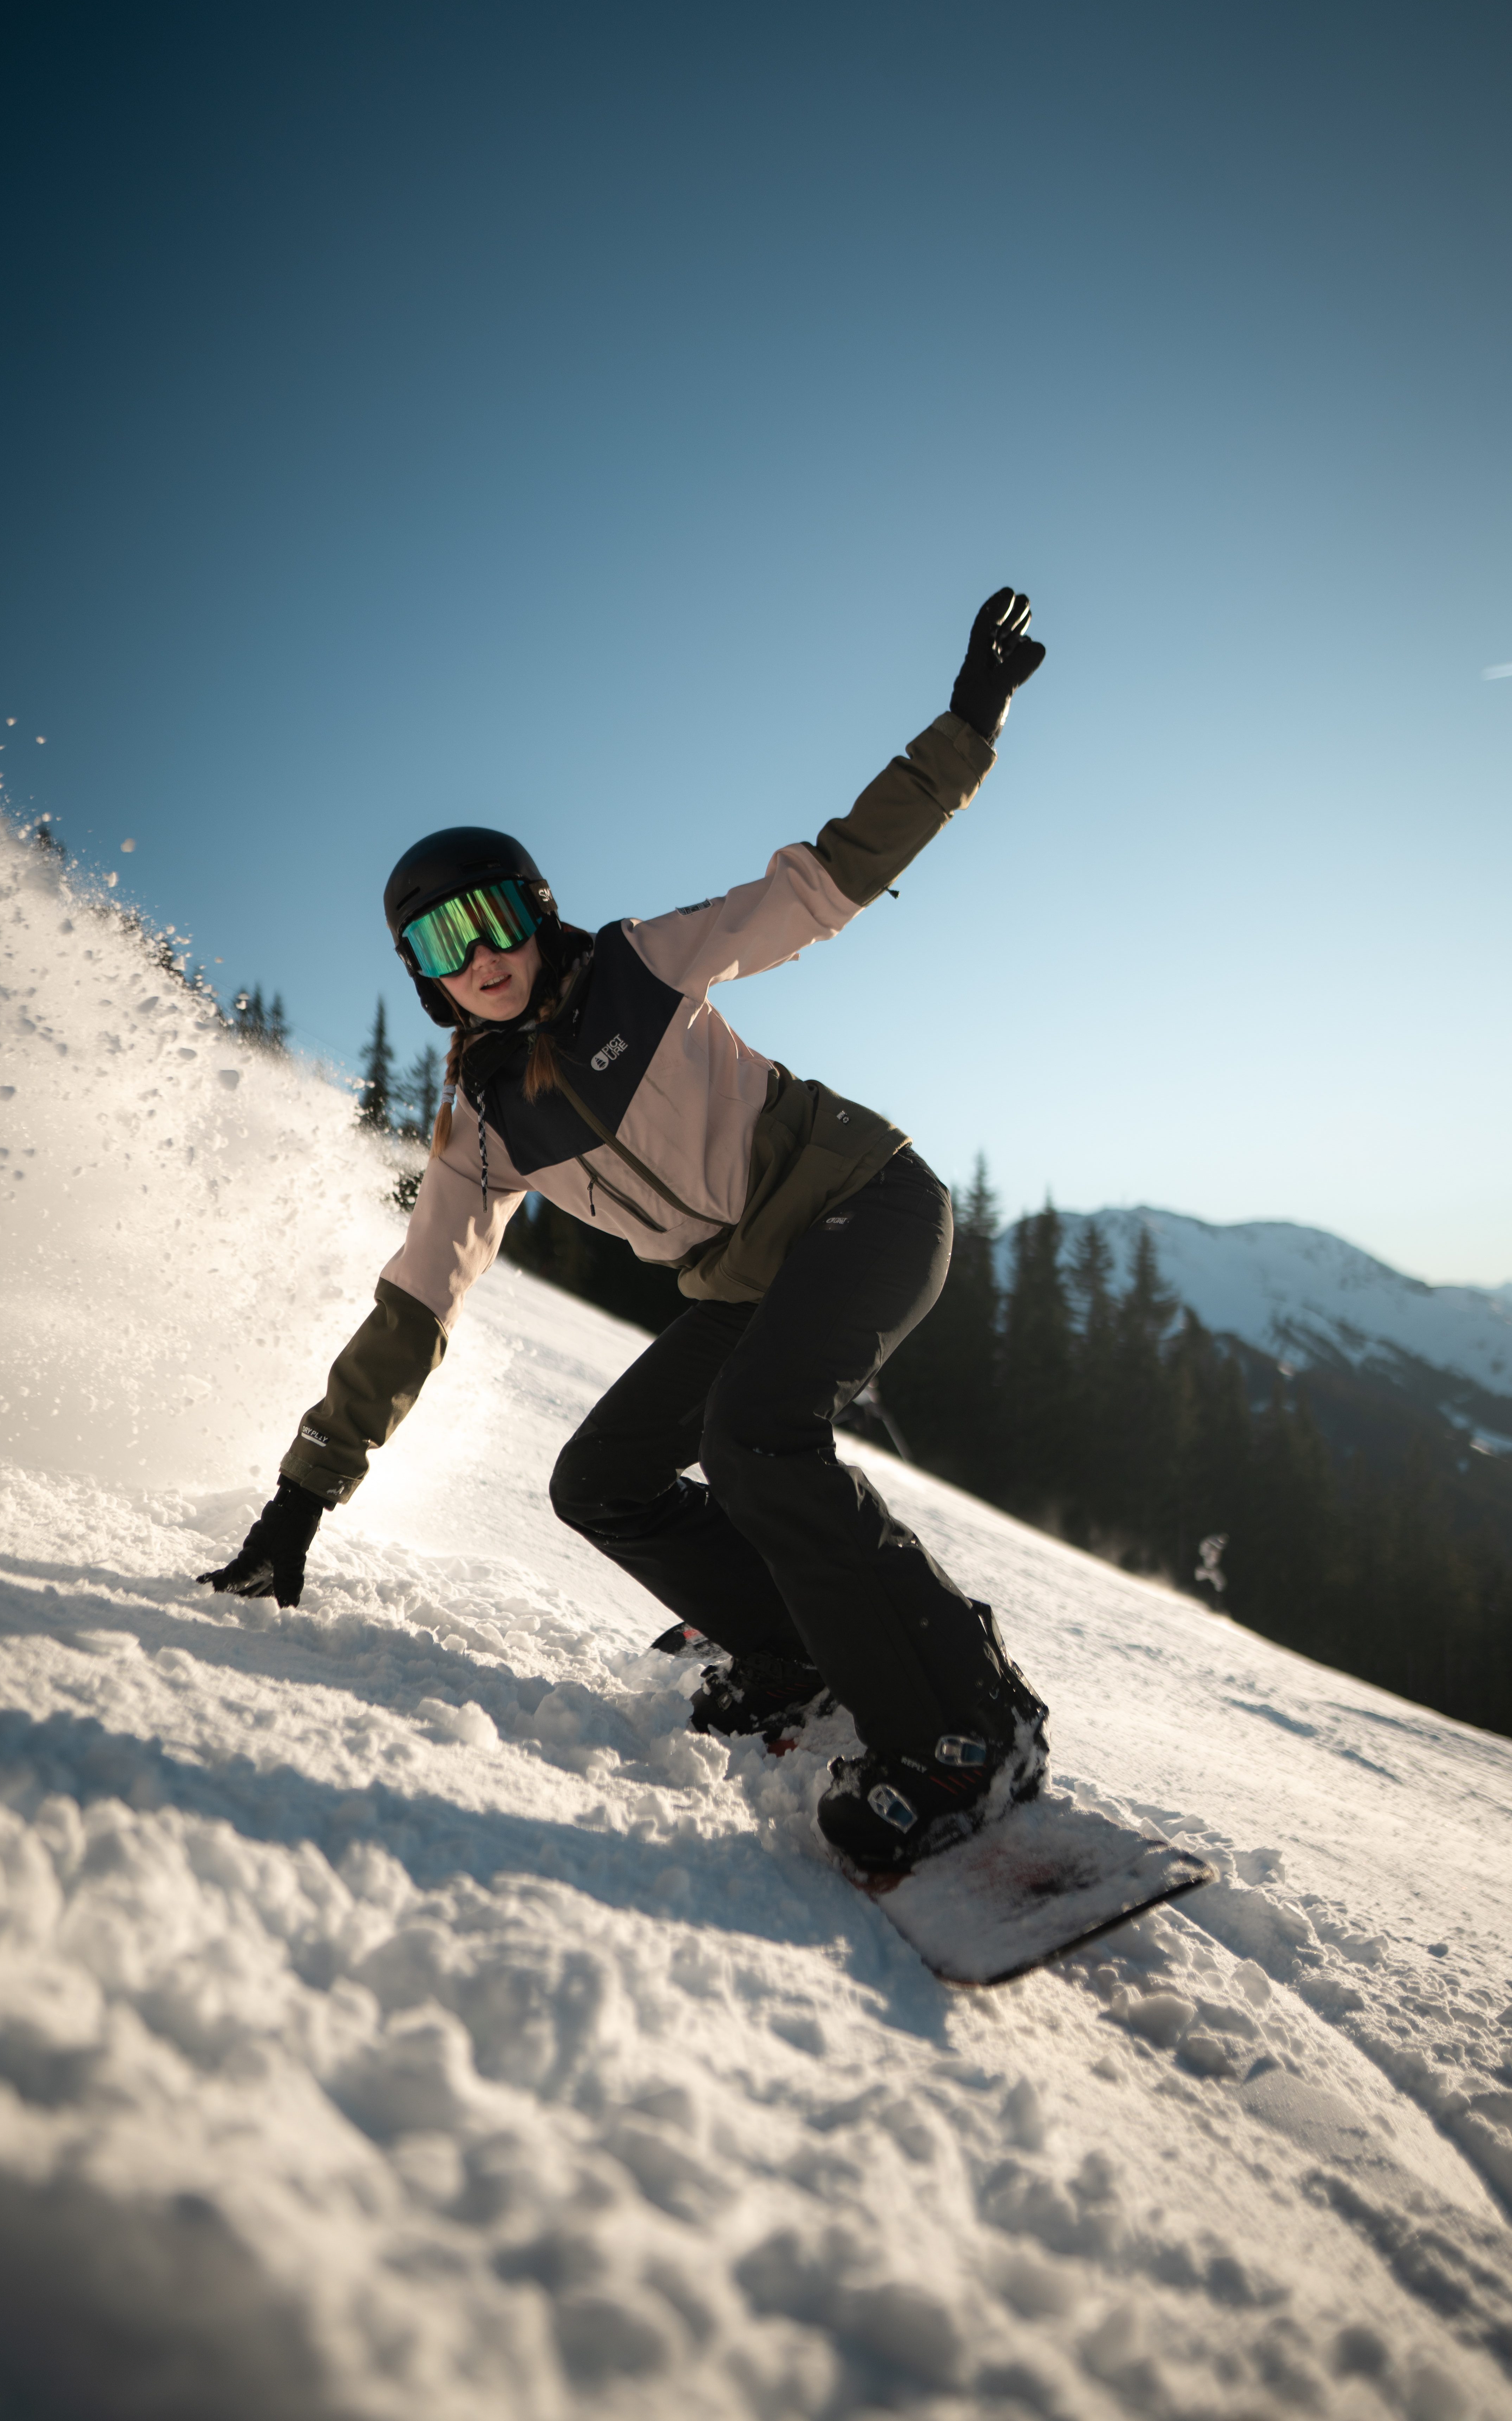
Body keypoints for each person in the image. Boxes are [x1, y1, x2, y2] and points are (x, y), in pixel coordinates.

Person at [201, 590, 1051, 1873]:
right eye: (442, 939)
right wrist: (299, 1496)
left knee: (758, 1437)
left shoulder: (644, 969)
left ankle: (966, 1724)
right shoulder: (484, 1125)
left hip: (864, 1205)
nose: (480, 954)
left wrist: (966, 727)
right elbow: (415, 1303)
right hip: (741, 1288)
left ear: (536, 910)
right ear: (423, 974)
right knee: (600, 1483)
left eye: (493, 917)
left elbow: (826, 880)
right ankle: (792, 1648)